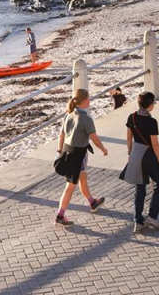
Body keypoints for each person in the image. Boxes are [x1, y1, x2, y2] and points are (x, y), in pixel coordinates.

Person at [54, 89, 108, 227]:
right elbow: (94, 139)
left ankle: (92, 202)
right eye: (88, 99)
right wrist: (103, 149)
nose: (90, 101)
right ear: (84, 101)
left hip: (67, 151)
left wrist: (60, 152)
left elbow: (61, 135)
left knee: (83, 177)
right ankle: (60, 216)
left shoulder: (69, 115)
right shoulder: (86, 119)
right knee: (70, 187)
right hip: (77, 156)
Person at [123, 92, 159, 233]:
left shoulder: (132, 117)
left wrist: (130, 153)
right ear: (150, 105)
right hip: (149, 157)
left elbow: (129, 138)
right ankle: (152, 217)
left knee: (140, 189)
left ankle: (138, 221)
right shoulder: (152, 122)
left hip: (136, 154)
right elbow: (155, 144)